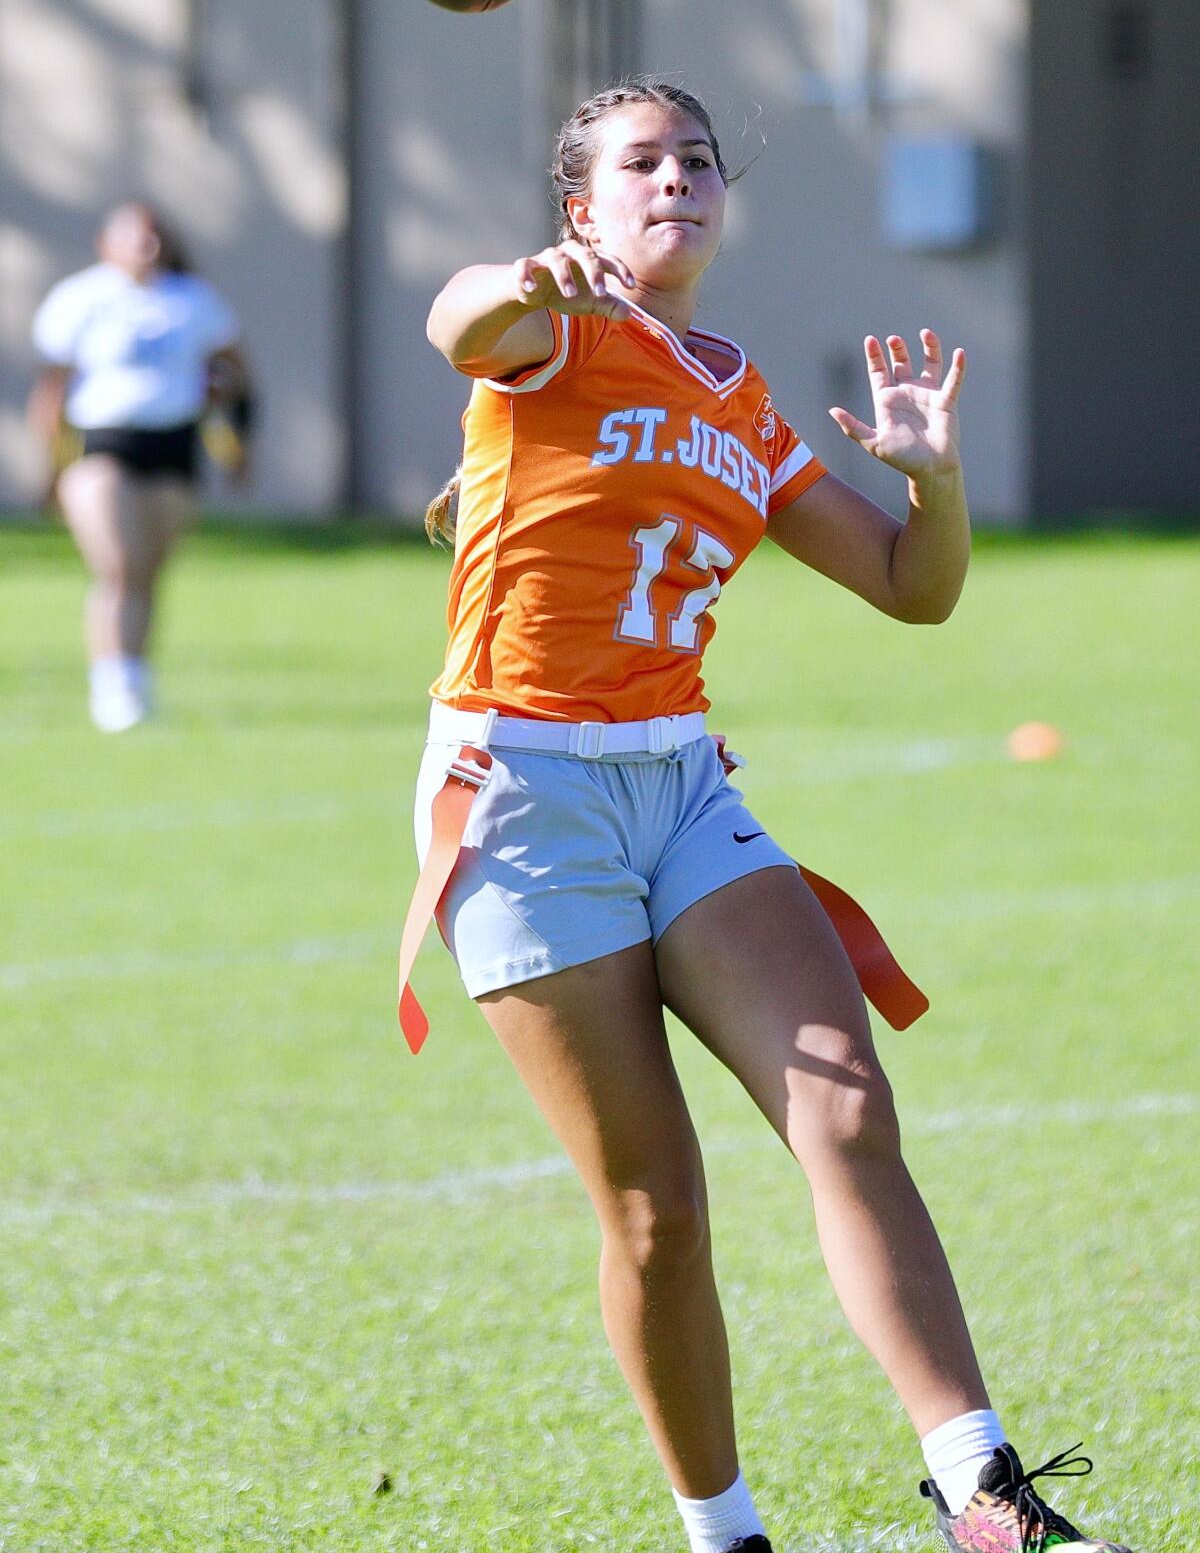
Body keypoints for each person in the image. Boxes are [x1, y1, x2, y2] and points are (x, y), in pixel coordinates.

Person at [414, 77, 1131, 1553]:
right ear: (583, 205)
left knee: (850, 1108)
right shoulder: (552, 325)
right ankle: (723, 1532)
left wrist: (933, 483)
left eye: (695, 158)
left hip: (680, 779)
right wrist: (513, 281)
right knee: (657, 1209)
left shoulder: (737, 389)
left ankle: (985, 1498)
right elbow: (459, 322)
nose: (674, 177)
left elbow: (910, 589)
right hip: (523, 794)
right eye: (640, 161)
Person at [28, 201, 254, 732]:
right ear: (107, 243)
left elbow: (237, 373)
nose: (145, 247)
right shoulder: (83, 297)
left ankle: (135, 676)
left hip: (173, 446)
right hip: (105, 444)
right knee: (118, 564)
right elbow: (53, 389)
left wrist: (236, 438)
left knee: (148, 571)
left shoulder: (192, 301)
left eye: (154, 236)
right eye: (133, 237)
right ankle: (111, 685)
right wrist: (48, 466)